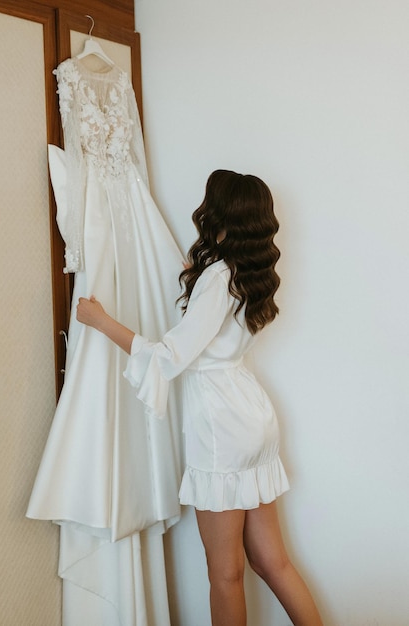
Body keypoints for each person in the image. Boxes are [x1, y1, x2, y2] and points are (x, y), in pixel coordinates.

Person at [77, 170, 323, 626]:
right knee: (274, 563)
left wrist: (100, 320)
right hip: (252, 414)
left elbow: (170, 357)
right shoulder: (250, 272)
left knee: (224, 573)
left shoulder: (218, 277)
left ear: (223, 213)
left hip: (221, 425)